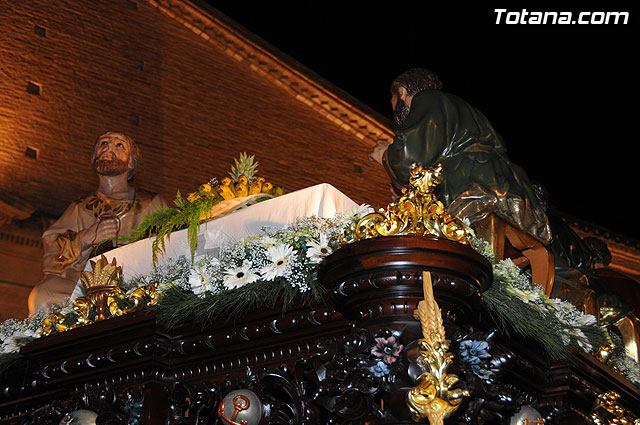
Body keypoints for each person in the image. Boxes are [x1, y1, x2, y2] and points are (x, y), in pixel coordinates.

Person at [371, 68, 551, 245]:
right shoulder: (465, 109)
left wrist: (386, 155)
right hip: (506, 184)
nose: (392, 104)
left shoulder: (427, 99)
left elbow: (410, 162)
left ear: (401, 92)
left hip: (472, 186)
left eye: (392, 97)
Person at [28, 131, 166, 312]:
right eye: (103, 143)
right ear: (93, 157)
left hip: (134, 282)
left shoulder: (149, 202)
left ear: (131, 161)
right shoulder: (81, 205)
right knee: (43, 295)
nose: (109, 147)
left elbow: (174, 235)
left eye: (119, 145)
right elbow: (52, 244)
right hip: (87, 284)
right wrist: (86, 237)